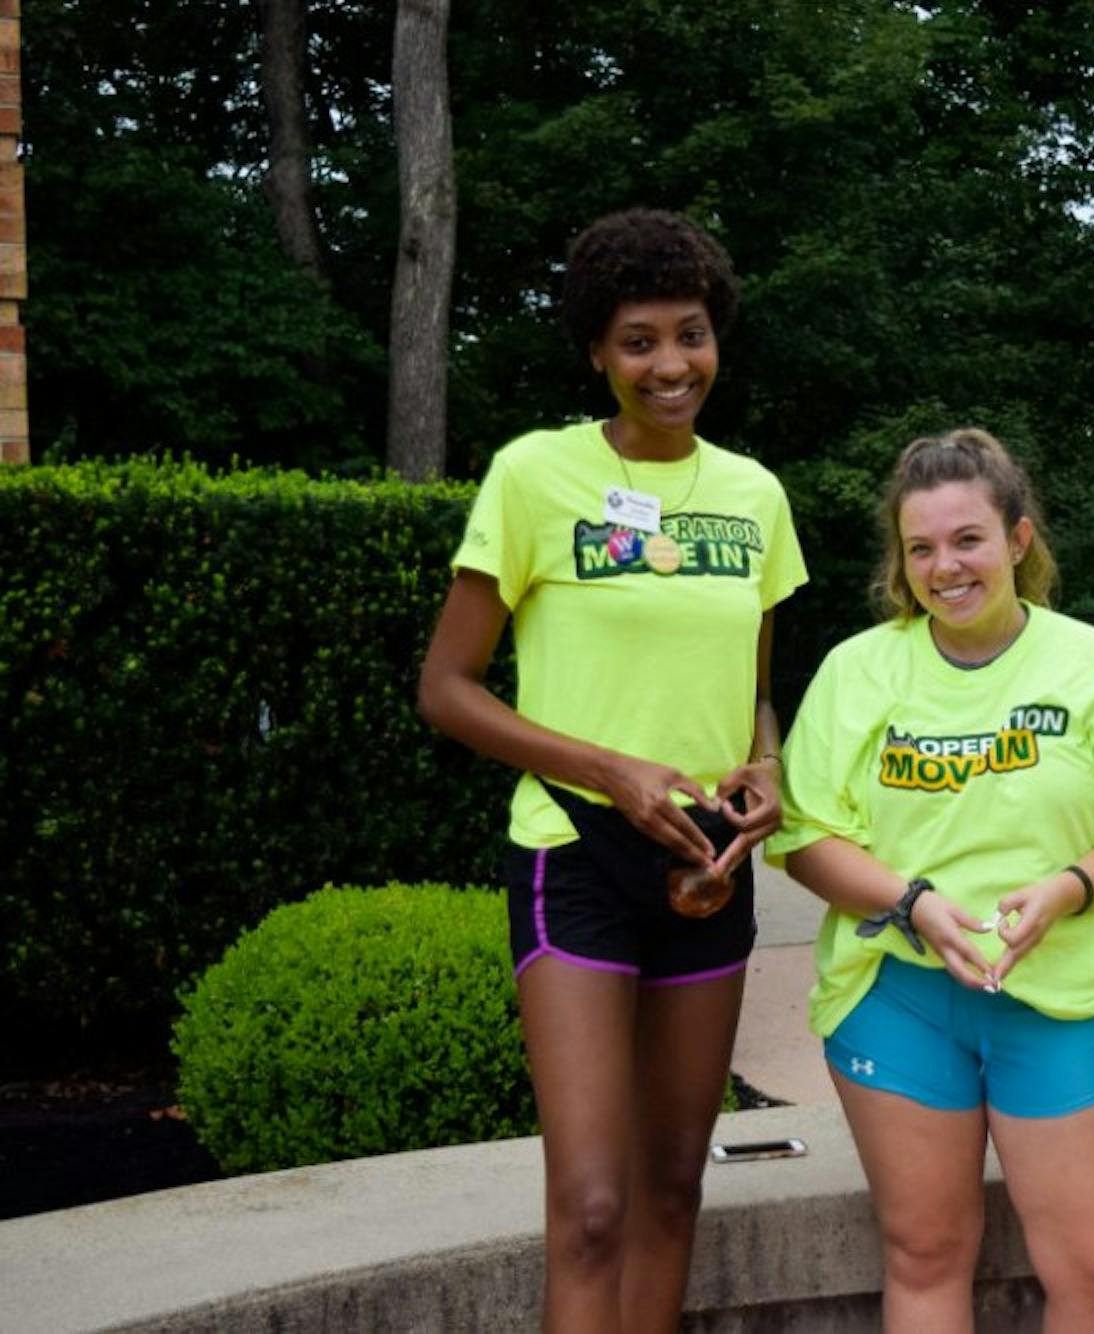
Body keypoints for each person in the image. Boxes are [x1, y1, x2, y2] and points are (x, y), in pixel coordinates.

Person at [417, 207, 807, 1331]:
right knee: (591, 1203)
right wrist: (610, 769)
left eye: (690, 334)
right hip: (575, 855)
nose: (669, 364)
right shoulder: (535, 476)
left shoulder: (755, 496)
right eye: (638, 339)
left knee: (676, 1186)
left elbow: (754, 687)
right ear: (596, 348)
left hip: (708, 868)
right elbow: (448, 687)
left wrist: (767, 768)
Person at [767, 429, 1094, 1334]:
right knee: (924, 1253)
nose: (944, 567)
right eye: (921, 548)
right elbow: (805, 838)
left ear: (1018, 540)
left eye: (968, 540)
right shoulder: (857, 671)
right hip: (899, 995)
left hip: (1060, 1002)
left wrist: (1069, 887)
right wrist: (910, 901)